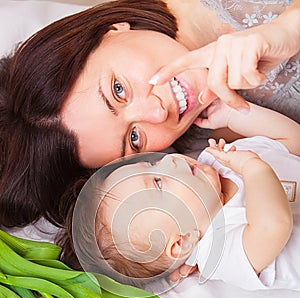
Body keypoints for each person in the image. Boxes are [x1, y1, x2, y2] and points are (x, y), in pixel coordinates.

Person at [0, 0, 299, 230]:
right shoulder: (223, 142)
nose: (157, 112)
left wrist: (289, 30)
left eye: (118, 90)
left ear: (110, 31)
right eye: (134, 138)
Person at [60, 100, 300, 292]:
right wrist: (252, 168)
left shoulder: (215, 162)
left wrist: (233, 116)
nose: (169, 160)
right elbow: (274, 225)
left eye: (150, 163)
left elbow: (291, 143)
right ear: (181, 243)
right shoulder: (221, 251)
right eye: (158, 182)